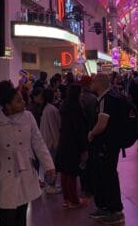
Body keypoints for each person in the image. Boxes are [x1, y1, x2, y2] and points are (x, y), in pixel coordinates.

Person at [0, 81, 55, 226]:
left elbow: (38, 141)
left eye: (22, 99)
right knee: (6, 219)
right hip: (4, 175)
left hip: (25, 173)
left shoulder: (28, 117)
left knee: (21, 217)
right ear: (7, 105)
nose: (24, 102)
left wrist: (49, 165)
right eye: (18, 101)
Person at [88, 73, 125, 225]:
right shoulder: (111, 96)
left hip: (106, 145)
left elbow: (102, 124)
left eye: (93, 80)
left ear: (100, 83)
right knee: (106, 174)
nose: (91, 83)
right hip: (111, 144)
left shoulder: (105, 99)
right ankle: (105, 207)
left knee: (108, 175)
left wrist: (91, 133)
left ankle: (114, 210)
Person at [56, 84, 88, 208]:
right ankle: (74, 200)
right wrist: (84, 147)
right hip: (73, 144)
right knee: (72, 172)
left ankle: (66, 199)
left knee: (64, 172)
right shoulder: (76, 108)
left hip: (64, 141)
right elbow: (79, 130)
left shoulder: (64, 106)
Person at [40, 88, 61, 194]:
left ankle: (49, 183)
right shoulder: (51, 109)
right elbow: (54, 127)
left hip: (46, 140)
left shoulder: (46, 108)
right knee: (51, 163)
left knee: (48, 163)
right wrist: (57, 142)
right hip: (51, 142)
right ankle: (50, 184)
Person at [79, 75, 98, 197]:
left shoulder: (78, 98)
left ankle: (84, 186)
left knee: (82, 161)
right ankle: (90, 187)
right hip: (91, 133)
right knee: (91, 160)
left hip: (80, 134)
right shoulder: (92, 99)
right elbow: (94, 118)